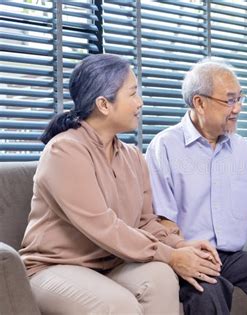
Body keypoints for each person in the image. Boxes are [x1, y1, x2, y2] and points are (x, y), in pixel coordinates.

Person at [20, 54, 222, 314]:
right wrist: (171, 256)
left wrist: (179, 245)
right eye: (133, 94)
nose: (140, 102)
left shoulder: (132, 156)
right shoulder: (64, 151)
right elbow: (103, 226)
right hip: (54, 267)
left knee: (160, 277)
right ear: (104, 104)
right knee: (118, 305)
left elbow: (144, 221)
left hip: (110, 264)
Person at [145, 58, 247, 315]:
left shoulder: (241, 147)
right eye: (230, 100)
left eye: (240, 99)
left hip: (232, 258)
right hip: (190, 253)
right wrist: (183, 252)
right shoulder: (164, 146)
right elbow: (163, 220)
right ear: (200, 102)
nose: (238, 108)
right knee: (208, 290)